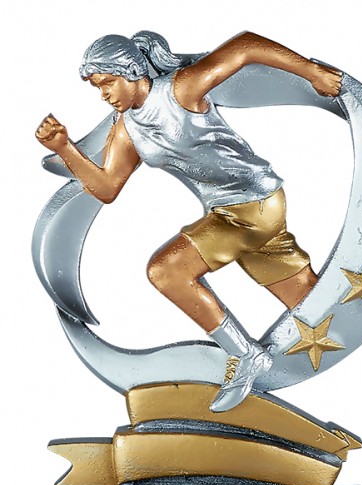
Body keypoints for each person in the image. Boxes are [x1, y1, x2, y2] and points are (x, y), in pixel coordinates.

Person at [36, 31, 341, 412]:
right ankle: (345, 310)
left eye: (108, 82)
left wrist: (311, 71)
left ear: (131, 71)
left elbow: (245, 46)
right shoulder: (127, 129)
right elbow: (108, 187)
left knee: (167, 271)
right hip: (239, 212)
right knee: (311, 303)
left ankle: (246, 355)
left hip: (249, 209)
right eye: (98, 87)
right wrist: (64, 148)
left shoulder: (180, 89)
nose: (104, 95)